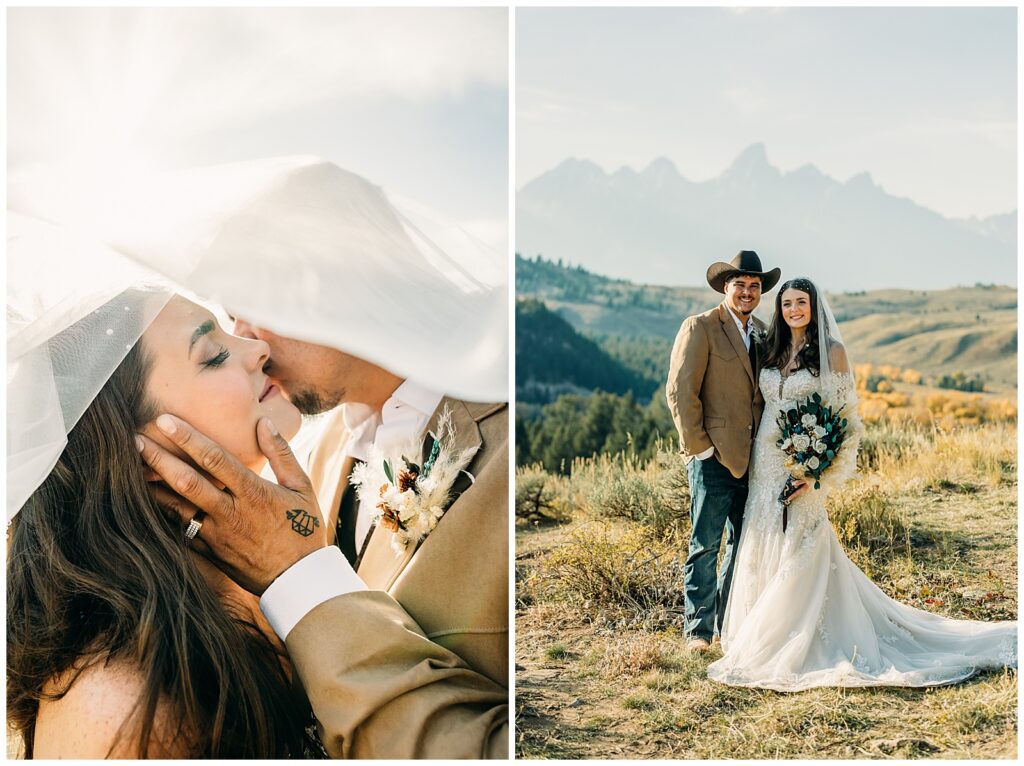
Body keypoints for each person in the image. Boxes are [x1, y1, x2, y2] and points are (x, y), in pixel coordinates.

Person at [7, 279, 326, 757]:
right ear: (136, 453)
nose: (258, 347)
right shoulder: (125, 704)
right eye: (213, 355)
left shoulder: (253, 577)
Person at [707, 278, 1017, 690]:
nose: (794, 309)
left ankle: (797, 638)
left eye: (801, 302)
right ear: (778, 309)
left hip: (802, 466)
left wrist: (816, 475)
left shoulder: (833, 352)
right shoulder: (769, 349)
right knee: (763, 535)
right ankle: (757, 632)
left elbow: (844, 422)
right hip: (764, 461)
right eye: (786, 303)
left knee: (802, 540)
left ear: (814, 306)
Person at [666, 250, 781, 653]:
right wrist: (700, 450)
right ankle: (698, 631)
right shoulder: (700, 327)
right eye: (740, 285)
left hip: (755, 461)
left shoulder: (765, 333)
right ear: (725, 287)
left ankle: (727, 625)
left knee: (742, 545)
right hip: (713, 458)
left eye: (755, 286)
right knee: (705, 545)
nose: (748, 292)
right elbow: (680, 391)